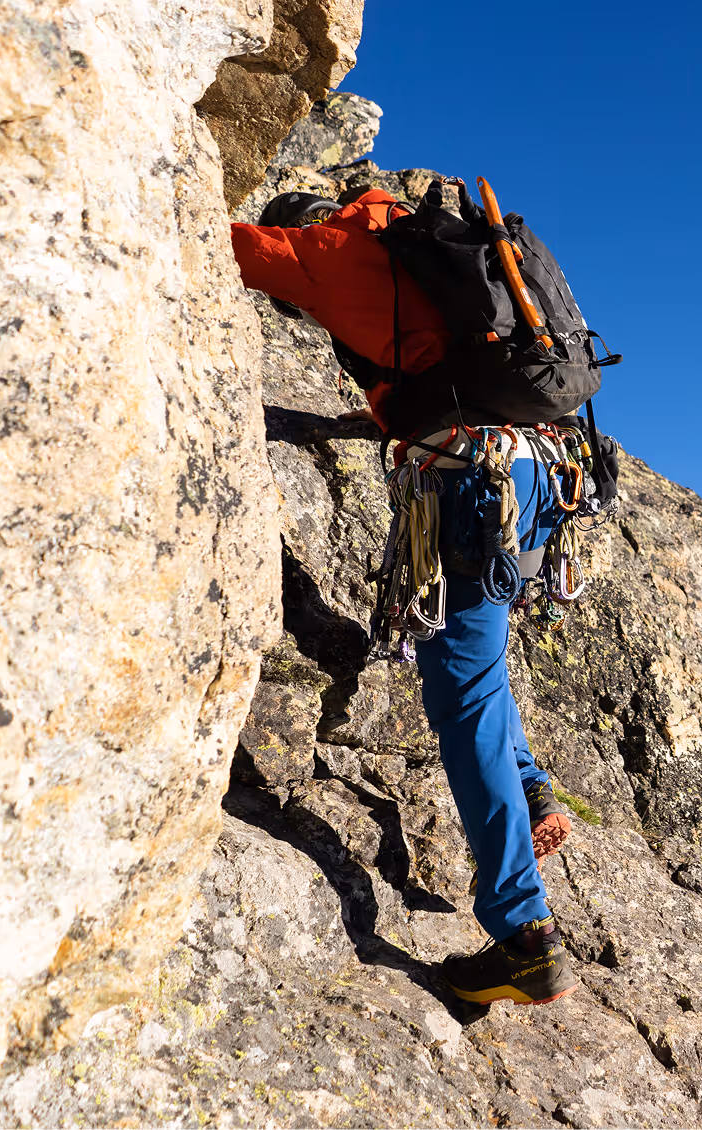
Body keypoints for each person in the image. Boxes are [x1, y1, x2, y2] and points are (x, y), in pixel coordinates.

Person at [232, 187, 579, 1005]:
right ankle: (525, 785)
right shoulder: (444, 260)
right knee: (479, 656)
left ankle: (524, 934)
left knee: (460, 683)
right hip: (536, 475)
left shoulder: (332, 248)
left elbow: (217, 243)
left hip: (465, 484)